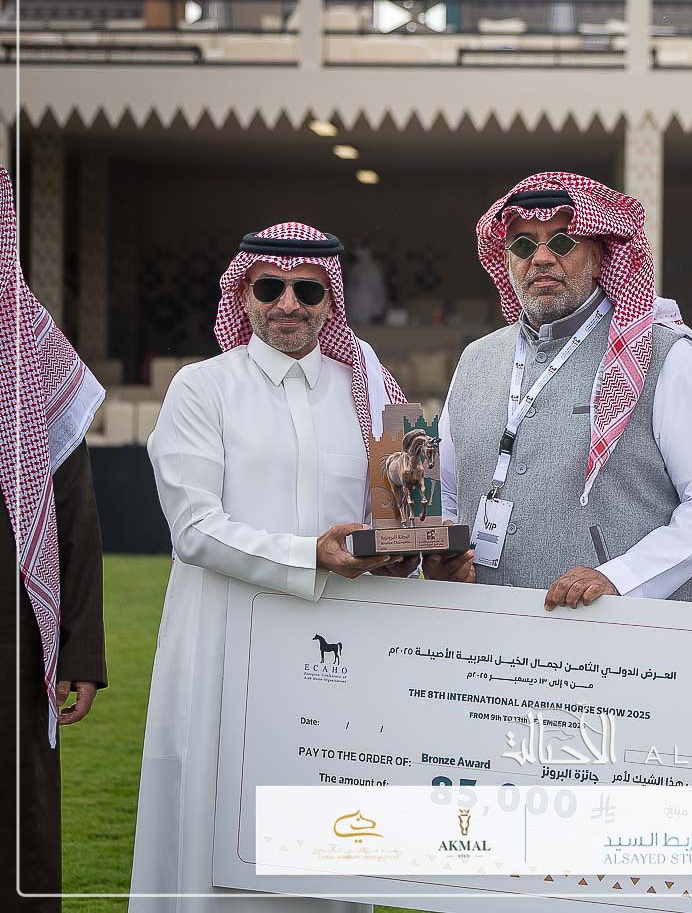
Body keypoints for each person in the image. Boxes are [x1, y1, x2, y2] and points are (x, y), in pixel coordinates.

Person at [129, 222, 426, 912]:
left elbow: (397, 519)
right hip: (223, 642)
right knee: (216, 819)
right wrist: (309, 554)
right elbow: (194, 530)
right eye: (270, 287)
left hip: (338, 651)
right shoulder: (202, 388)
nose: (288, 303)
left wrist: (406, 551)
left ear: (332, 300)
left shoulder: (369, 392)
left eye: (307, 290)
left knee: (328, 829)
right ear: (244, 295)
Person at [428, 172, 692, 606]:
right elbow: (446, 492)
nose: (541, 258)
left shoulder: (659, 352)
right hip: (486, 628)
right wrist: (441, 558)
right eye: (523, 245)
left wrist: (621, 578)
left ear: (598, 257)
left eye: (562, 242)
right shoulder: (476, 360)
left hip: (619, 632)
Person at [0, 166, 107, 912]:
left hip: (11, 631)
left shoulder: (30, 342)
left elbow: (74, 511)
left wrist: (80, 652)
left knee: (18, 808)